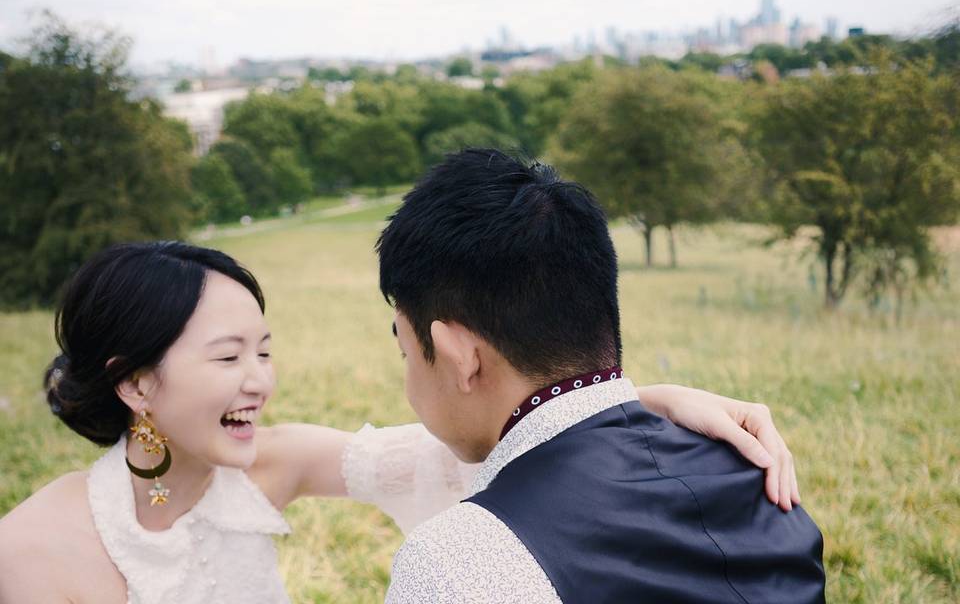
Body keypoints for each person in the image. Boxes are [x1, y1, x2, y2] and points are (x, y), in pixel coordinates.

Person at [0, 242, 799, 604]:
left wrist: (643, 399)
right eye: (227, 357)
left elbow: (472, 449)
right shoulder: (37, 548)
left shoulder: (269, 468)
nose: (260, 381)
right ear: (136, 382)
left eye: (265, 350)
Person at [378, 149, 826, 603]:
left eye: (406, 355)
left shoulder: (454, 566)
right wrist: (640, 401)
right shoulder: (762, 482)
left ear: (461, 356)